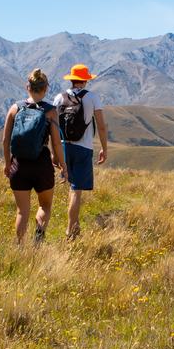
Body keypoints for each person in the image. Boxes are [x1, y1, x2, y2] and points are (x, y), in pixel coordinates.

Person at [2, 69, 66, 244]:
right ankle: (38, 237)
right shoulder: (51, 111)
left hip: (19, 164)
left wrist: (8, 164)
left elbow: (5, 140)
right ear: (46, 88)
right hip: (42, 164)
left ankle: (20, 248)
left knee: (22, 211)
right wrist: (63, 166)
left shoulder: (15, 109)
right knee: (45, 205)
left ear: (27, 87)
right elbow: (57, 143)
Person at [52, 64, 108, 239]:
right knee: (76, 190)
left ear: (72, 79)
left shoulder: (58, 98)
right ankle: (71, 230)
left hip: (63, 147)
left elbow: (53, 127)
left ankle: (74, 226)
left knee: (71, 187)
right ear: (85, 80)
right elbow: (101, 126)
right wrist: (104, 148)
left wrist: (54, 151)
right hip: (83, 148)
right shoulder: (92, 98)